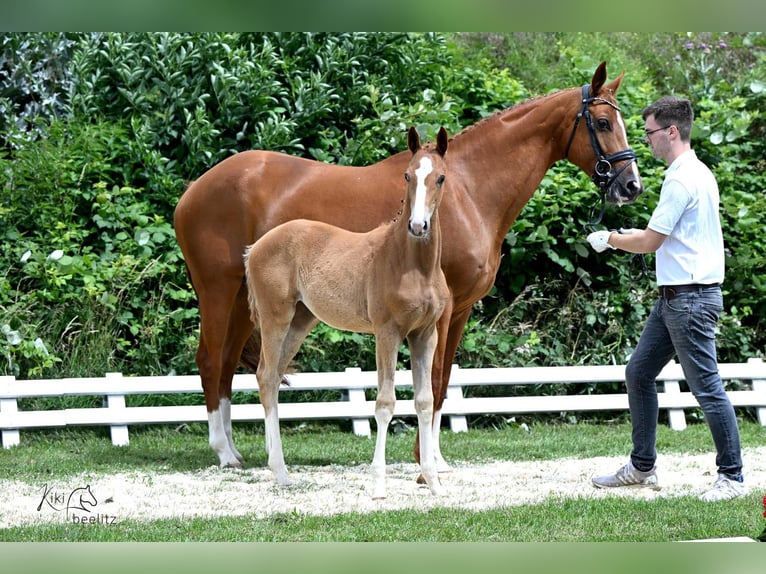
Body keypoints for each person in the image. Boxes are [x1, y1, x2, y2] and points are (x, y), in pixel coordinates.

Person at [586, 96, 745, 502]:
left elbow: (652, 241)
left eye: (651, 132)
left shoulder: (679, 178)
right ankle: (643, 466)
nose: (647, 141)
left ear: (671, 132)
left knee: (706, 386)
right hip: (677, 297)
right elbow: (671, 235)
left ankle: (732, 477)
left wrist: (610, 239)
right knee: (639, 373)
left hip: (689, 299)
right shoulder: (698, 172)